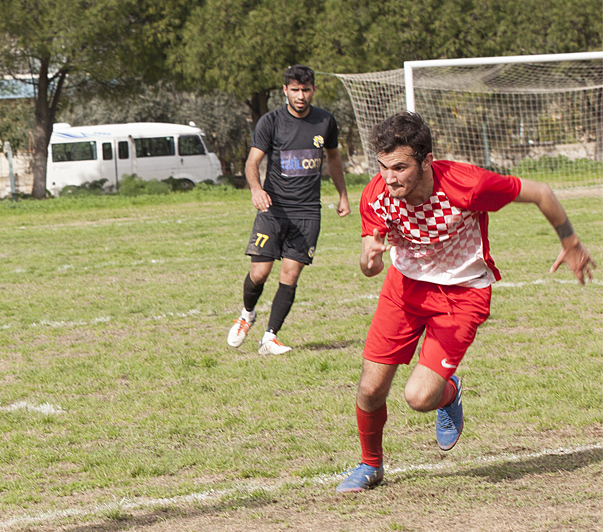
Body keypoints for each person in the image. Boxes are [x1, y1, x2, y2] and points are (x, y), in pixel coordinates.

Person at [337, 111, 595, 493]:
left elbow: (541, 192)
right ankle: (370, 465)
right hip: (404, 289)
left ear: (426, 161)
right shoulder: (377, 194)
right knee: (370, 390)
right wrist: (369, 259)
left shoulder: (467, 185)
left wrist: (570, 241)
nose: (389, 178)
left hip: (462, 294)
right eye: (383, 167)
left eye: (400, 167)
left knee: (419, 398)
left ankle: (450, 392)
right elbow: (368, 266)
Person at [227, 64, 350, 356]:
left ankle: (269, 337)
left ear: (313, 90)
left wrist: (343, 194)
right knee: (259, 272)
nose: (301, 95)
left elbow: (333, 159)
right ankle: (247, 314)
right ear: (285, 90)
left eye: (306, 90)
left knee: (290, 274)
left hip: (308, 211)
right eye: (295, 90)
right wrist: (257, 189)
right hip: (274, 209)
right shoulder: (270, 122)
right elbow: (251, 162)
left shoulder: (325, 122)